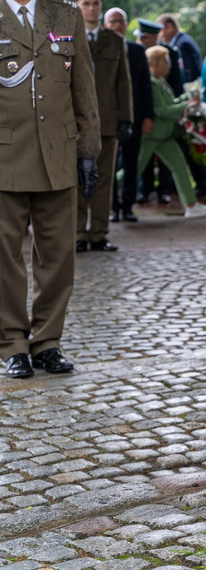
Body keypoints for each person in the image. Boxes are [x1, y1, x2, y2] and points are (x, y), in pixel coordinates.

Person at [0, 0, 100, 378]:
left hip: (58, 152)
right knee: (3, 255)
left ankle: (47, 342)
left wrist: (89, 150)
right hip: (4, 155)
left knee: (58, 254)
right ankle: (12, 345)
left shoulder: (65, 14)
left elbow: (84, 89)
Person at [74, 0, 132, 253]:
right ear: (78, 6)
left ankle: (98, 233)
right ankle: (78, 233)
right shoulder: (67, 35)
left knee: (104, 180)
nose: (92, 8)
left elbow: (123, 82)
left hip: (107, 121)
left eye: (96, 3)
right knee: (75, 179)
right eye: (86, 3)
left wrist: (126, 119)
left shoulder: (115, 41)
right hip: (75, 122)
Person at [138, 46, 206, 218]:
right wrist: (186, 104)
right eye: (166, 62)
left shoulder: (159, 81)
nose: (170, 65)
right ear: (155, 63)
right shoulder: (152, 82)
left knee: (180, 167)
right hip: (153, 135)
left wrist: (187, 98)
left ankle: (191, 204)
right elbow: (162, 111)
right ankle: (102, 193)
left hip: (163, 135)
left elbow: (170, 103)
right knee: (133, 169)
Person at [106, 8, 154, 223]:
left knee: (132, 162)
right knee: (109, 164)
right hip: (109, 116)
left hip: (135, 115)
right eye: (113, 21)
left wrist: (148, 116)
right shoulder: (101, 49)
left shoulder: (136, 50)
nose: (118, 25)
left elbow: (146, 85)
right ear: (106, 25)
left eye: (121, 21)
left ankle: (128, 206)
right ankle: (113, 208)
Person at [135, 18, 180, 205]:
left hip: (165, 111)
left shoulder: (170, 53)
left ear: (154, 37)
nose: (142, 40)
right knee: (142, 156)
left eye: (145, 37)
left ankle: (163, 190)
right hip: (145, 111)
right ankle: (142, 190)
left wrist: (175, 105)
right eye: (141, 37)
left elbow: (176, 80)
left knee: (165, 160)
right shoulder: (136, 52)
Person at [157, 13, 202, 83]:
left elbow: (188, 74)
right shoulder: (182, 41)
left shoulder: (183, 44)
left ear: (169, 27)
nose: (159, 35)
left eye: (160, 31)